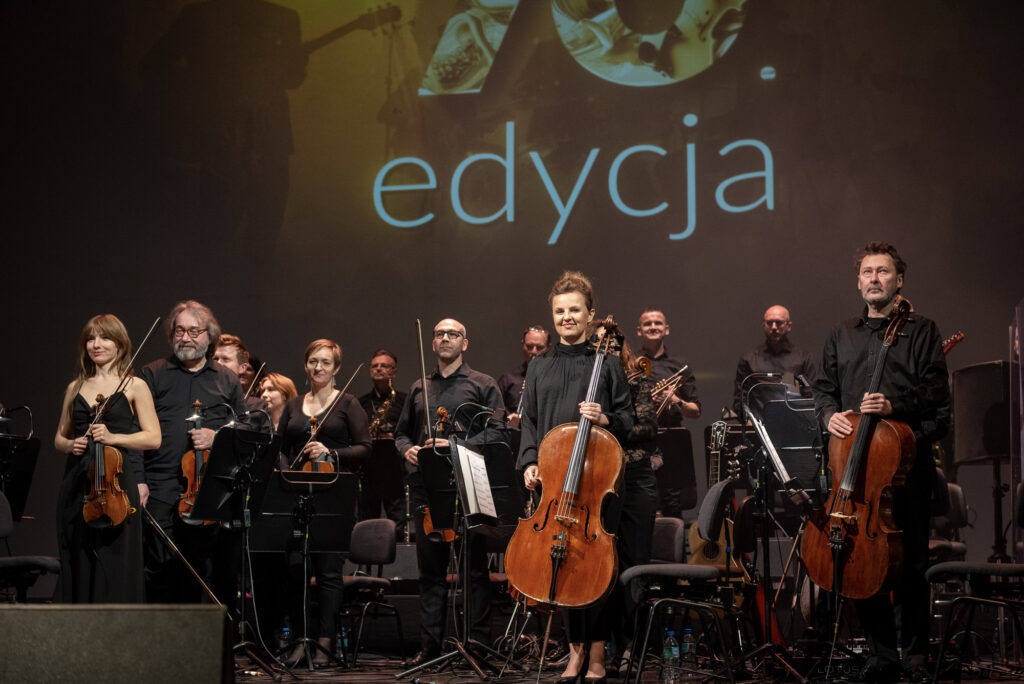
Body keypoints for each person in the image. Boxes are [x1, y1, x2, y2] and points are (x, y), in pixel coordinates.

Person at [813, 242, 950, 684]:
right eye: (868, 272)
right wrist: (827, 415)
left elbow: (936, 394)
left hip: (905, 466)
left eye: (884, 271)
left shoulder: (922, 331)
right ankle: (882, 654)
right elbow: (823, 389)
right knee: (861, 561)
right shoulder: (841, 334)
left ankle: (915, 657)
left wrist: (894, 406)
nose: (875, 278)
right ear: (858, 282)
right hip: (856, 468)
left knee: (912, 566)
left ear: (899, 280)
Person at [518, 272, 634, 683]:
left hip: (597, 483)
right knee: (560, 565)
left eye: (574, 310)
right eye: (559, 311)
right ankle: (574, 653)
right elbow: (529, 422)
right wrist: (529, 462)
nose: (566, 317)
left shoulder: (608, 364)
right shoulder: (539, 365)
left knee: (594, 569)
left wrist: (603, 417)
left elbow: (628, 420)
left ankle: (598, 653)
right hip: (554, 485)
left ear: (590, 315)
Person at [394, 318, 505, 667]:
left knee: (474, 571)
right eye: (439, 334)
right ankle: (430, 649)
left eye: (452, 334)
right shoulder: (419, 386)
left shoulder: (483, 384)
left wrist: (456, 444)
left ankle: (478, 646)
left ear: (464, 343)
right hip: (428, 488)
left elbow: (497, 432)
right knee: (430, 572)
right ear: (432, 343)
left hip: (469, 483)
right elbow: (401, 434)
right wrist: (407, 450)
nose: (445, 338)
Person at [140, 301, 246, 604]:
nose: (185, 337)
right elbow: (137, 430)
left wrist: (217, 437)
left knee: (198, 570)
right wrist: (139, 479)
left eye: (193, 331)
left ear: (209, 336)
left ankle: (193, 632)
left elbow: (243, 428)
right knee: (157, 570)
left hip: (205, 490)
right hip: (159, 486)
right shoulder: (153, 374)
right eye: (179, 331)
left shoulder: (226, 378)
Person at [277, 338, 371, 666]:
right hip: (297, 495)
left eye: (325, 362)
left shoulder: (347, 404)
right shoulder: (293, 406)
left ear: (337, 368)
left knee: (329, 572)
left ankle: (325, 642)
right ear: (305, 365)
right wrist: (286, 474)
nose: (318, 368)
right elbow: (281, 448)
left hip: (334, 496)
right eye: (313, 361)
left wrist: (331, 452)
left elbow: (365, 448)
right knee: (296, 570)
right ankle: (300, 639)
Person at [54, 315, 161, 603]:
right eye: (90, 338)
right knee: (78, 558)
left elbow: (153, 438)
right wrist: (71, 444)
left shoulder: (135, 386)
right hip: (78, 483)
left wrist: (114, 437)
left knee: (116, 562)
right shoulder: (75, 387)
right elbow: (59, 438)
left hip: (117, 485)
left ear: (120, 344)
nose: (96, 344)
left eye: (104, 338)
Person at [635, 308, 699, 518]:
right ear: (639, 330)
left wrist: (675, 400)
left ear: (666, 329)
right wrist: (645, 402)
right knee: (642, 504)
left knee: (673, 505)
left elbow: (696, 411)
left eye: (658, 323)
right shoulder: (631, 364)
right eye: (647, 324)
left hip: (672, 442)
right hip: (641, 442)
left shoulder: (680, 366)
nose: (653, 327)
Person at [357, 349, 408, 532]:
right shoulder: (360, 402)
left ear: (394, 371)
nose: (378, 369)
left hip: (394, 469)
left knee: (398, 521)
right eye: (375, 366)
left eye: (384, 366)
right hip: (368, 469)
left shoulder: (404, 401)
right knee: (365, 521)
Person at [732, 305, 816, 415]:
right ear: (764, 324)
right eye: (769, 323)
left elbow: (811, 395)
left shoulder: (802, 358)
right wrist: (747, 419)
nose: (774, 327)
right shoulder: (749, 359)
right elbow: (740, 399)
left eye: (779, 323)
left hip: (794, 421)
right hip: (758, 423)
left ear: (789, 326)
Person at [212, 333, 269, 431]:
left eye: (225, 359)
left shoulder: (258, 407)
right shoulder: (199, 395)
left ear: (242, 367)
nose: (219, 363)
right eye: (215, 359)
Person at [498, 325, 551, 428]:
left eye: (539, 347)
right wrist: (507, 418)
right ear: (523, 344)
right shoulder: (508, 379)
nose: (534, 352)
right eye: (529, 346)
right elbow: (496, 410)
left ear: (548, 347)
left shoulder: (556, 379)